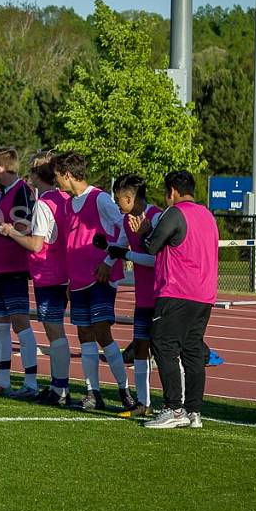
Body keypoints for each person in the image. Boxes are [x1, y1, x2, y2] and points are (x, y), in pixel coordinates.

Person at [51, 151, 136, 411]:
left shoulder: (99, 199)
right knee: (84, 335)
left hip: (99, 278)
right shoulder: (68, 204)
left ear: (67, 175)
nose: (56, 183)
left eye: (57, 177)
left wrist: (108, 262)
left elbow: (122, 229)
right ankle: (92, 392)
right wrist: (68, 278)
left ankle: (124, 390)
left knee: (102, 332)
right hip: (77, 280)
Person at [140, 171, 219, 429]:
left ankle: (174, 408)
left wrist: (144, 231)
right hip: (204, 294)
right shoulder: (207, 215)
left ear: (172, 191)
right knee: (193, 351)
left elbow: (152, 245)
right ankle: (194, 411)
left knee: (163, 344)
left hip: (177, 291)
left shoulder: (174, 213)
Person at [0, 151, 71, 406]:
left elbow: (36, 245)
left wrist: (10, 231)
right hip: (61, 271)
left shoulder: (44, 203)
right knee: (56, 331)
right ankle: (58, 385)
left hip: (49, 272)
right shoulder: (64, 198)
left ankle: (60, 388)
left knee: (54, 331)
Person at [0, 147, 39, 399]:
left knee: (21, 325)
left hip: (14, 268)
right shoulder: (4, 193)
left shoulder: (22, 191)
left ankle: (31, 382)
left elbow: (24, 226)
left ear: (1, 168)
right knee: (0, 326)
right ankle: (3, 380)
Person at [107, 174, 163, 417]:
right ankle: (143, 403)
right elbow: (120, 246)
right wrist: (106, 262)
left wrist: (125, 255)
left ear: (130, 197)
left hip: (162, 295)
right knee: (140, 347)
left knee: (166, 350)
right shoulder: (126, 219)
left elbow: (155, 259)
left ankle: (179, 403)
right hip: (143, 297)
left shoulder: (157, 217)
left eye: (118, 198)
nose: (117, 203)